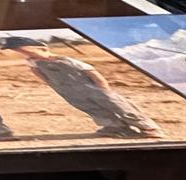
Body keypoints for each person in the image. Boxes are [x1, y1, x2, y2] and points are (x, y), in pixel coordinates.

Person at [22, 45, 159, 140]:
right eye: (23, 52)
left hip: (90, 86)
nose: (27, 54)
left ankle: (148, 127)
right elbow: (40, 74)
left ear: (44, 48)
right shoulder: (33, 62)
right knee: (91, 108)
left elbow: (91, 72)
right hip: (68, 90)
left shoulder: (66, 60)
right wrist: (56, 87)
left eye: (30, 51)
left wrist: (103, 88)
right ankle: (115, 127)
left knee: (117, 105)